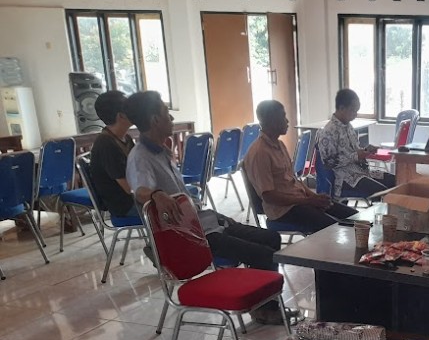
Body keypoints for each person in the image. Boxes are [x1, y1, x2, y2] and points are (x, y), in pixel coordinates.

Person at [124, 91, 286, 325]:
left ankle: (262, 302)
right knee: (262, 253)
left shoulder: (162, 150)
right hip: (189, 237)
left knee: (271, 238)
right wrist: (156, 194)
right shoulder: (140, 157)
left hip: (205, 224)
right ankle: (263, 309)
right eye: (166, 113)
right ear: (155, 120)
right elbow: (140, 190)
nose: (171, 118)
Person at [243, 100, 357, 232]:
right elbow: (269, 196)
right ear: (271, 121)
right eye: (283, 116)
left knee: (353, 216)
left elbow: (294, 180)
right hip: (283, 211)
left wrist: (313, 197)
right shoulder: (260, 153)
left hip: (299, 202)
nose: (287, 121)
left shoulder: (280, 145)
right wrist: (307, 201)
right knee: (336, 229)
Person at [316, 88, 394, 197]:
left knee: (394, 180)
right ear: (342, 108)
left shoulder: (348, 127)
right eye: (353, 110)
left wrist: (366, 150)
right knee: (382, 192)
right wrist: (356, 156)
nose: (355, 114)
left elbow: (354, 150)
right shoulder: (328, 132)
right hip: (346, 178)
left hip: (361, 171)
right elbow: (329, 163)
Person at [88, 90, 137, 218]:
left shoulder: (126, 138)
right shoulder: (106, 144)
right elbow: (129, 188)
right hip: (126, 206)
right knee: (176, 209)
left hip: (135, 198)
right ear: (121, 116)